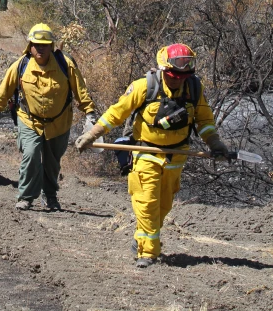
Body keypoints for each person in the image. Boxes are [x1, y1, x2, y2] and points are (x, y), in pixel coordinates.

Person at [75, 44, 230, 268]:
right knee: (147, 202)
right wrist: (92, 134)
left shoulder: (194, 89)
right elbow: (116, 113)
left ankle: (141, 238)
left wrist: (215, 143)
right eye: (173, 74)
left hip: (176, 156)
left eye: (183, 75)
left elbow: (204, 121)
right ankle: (148, 253)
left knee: (163, 206)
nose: (177, 79)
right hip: (145, 152)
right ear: (162, 69)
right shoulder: (144, 86)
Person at [0, 23, 97, 211]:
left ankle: (50, 196)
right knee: (31, 154)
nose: (40, 48)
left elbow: (81, 91)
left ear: (52, 46)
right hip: (30, 121)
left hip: (59, 124)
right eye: (36, 44)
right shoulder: (21, 65)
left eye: (45, 44)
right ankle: (26, 196)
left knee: (52, 163)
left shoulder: (65, 64)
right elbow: (3, 93)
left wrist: (90, 114)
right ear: (30, 46)